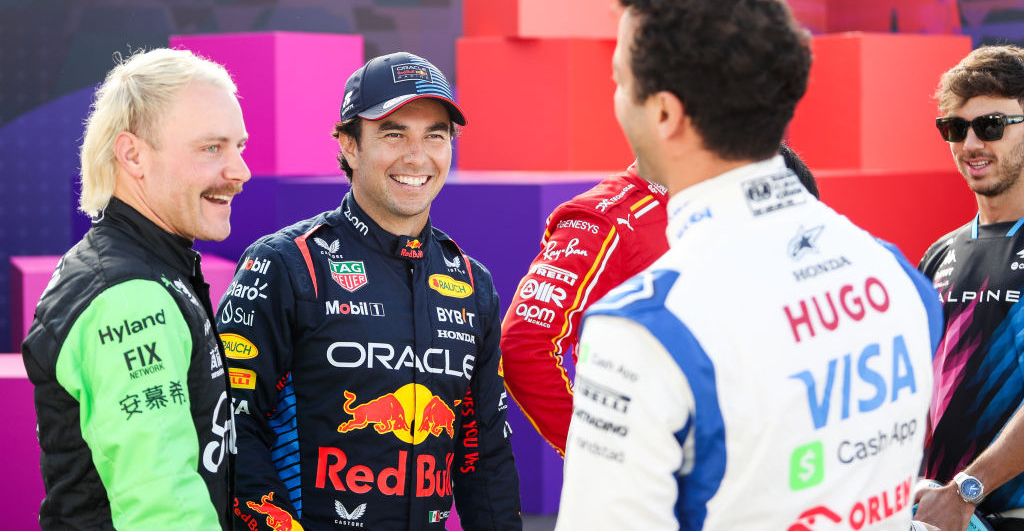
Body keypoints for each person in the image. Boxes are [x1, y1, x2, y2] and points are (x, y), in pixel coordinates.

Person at [553, 0, 943, 530]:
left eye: (619, 79)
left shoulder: (642, 329)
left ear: (664, 112)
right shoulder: (897, 275)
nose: (615, 96)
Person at [219, 51, 521, 531]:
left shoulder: (471, 282)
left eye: (435, 136)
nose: (417, 157)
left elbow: (484, 456)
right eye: (394, 134)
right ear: (350, 145)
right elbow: (232, 432)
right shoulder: (286, 264)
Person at [21, 48, 249, 530]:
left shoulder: (146, 267)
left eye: (239, 147)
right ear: (133, 156)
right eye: (212, 148)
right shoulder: (128, 295)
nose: (239, 171)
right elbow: (163, 513)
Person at [500, 145, 819, 456]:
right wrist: (602, 454)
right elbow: (525, 342)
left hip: (747, 456)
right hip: (656, 471)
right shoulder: (605, 220)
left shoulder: (735, 199)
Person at [914, 45, 1024, 531]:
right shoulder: (940, 253)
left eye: (992, 125)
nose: (971, 143)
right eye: (955, 129)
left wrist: (966, 490)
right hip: (942, 517)